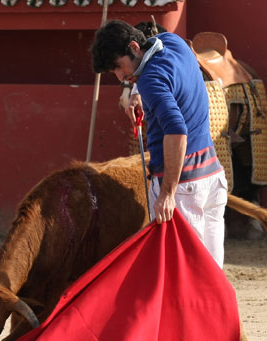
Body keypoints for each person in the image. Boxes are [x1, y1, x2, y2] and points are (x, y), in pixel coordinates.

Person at [91, 20, 228, 267]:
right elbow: (160, 64)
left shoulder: (150, 81)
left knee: (183, 273)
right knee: (211, 271)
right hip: (212, 177)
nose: (121, 76)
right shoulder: (175, 44)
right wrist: (135, 92)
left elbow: (176, 131)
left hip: (184, 189)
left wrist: (167, 193)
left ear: (135, 47)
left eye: (119, 67)